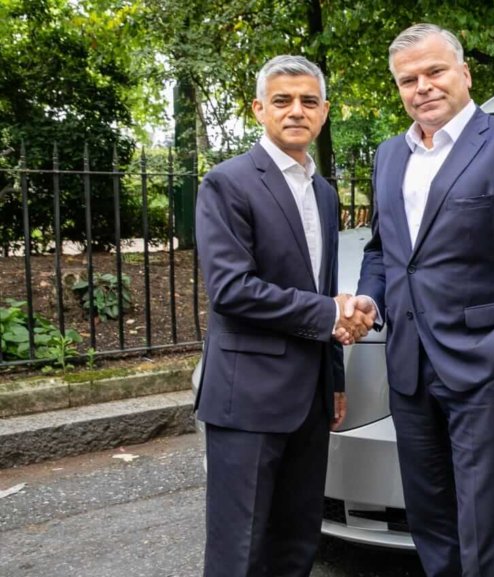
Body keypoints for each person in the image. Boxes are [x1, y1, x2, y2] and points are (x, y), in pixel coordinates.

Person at [345, 23, 494, 577]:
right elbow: (383, 249)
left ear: (464, 73)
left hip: (485, 367)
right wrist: (371, 300)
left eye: (434, 71)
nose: (421, 87)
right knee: (429, 516)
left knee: (484, 520)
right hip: (409, 366)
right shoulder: (389, 156)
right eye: (407, 80)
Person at [194, 54, 373, 577]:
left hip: (310, 399)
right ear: (259, 109)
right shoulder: (227, 183)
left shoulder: (324, 192)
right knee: (239, 551)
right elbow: (231, 290)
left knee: (297, 543)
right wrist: (330, 310)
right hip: (246, 398)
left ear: (323, 112)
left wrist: (334, 380)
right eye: (283, 100)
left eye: (309, 101)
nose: (297, 111)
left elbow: (322, 290)